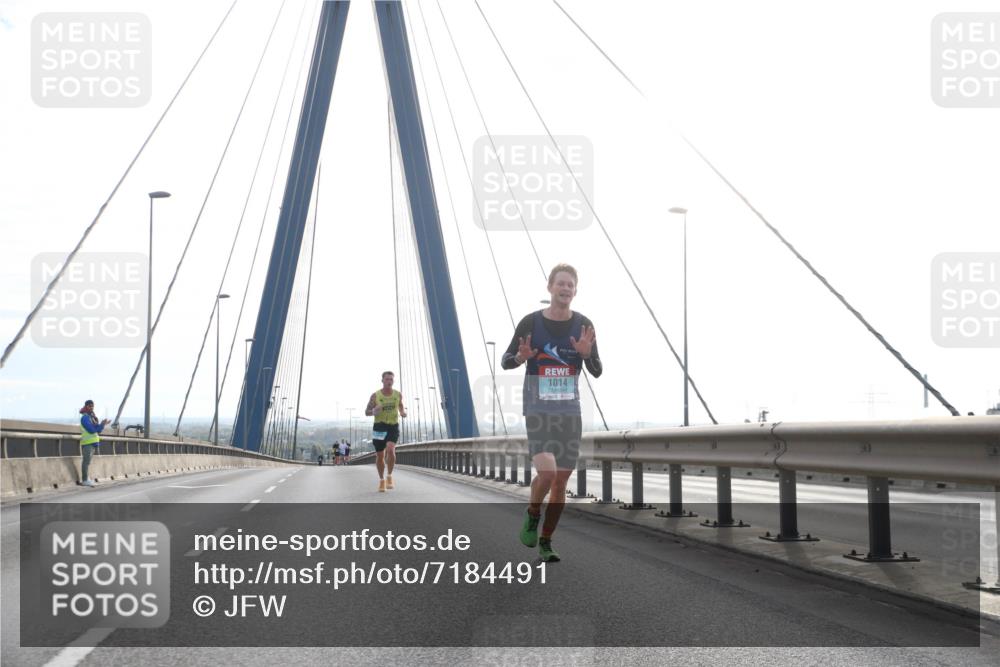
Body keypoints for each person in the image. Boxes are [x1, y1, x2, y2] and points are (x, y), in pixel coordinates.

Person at [501, 264, 602, 562]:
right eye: (561, 283)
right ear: (550, 287)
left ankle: (546, 540)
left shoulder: (584, 325)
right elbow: (506, 361)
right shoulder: (530, 323)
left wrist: (586, 355)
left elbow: (597, 370)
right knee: (546, 472)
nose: (566, 288)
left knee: (560, 481)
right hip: (538, 410)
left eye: (571, 285)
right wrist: (521, 356)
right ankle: (533, 513)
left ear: (575, 290)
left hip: (570, 413)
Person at [365, 371, 406, 491]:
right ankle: (382, 480)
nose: (389, 381)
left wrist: (402, 412)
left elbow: (401, 405)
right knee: (380, 455)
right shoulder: (375, 396)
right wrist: (373, 412)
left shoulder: (397, 394)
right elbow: (366, 412)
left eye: (391, 379)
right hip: (379, 427)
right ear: (382, 381)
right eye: (387, 379)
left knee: (390, 449)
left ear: (393, 381)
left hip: (392, 426)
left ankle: (389, 476)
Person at [78, 400, 109, 487]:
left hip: (93, 443)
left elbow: (98, 430)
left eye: (92, 406)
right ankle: (84, 480)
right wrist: (101, 425)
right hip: (87, 443)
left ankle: (87, 479)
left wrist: (102, 424)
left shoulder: (91, 417)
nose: (91, 408)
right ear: (86, 406)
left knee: (88, 462)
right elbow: (91, 430)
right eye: (89, 406)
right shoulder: (84, 418)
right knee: (86, 462)